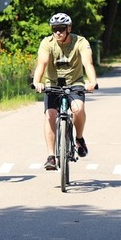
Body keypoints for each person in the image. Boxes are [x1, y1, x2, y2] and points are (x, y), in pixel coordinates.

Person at [31, 13, 98, 171]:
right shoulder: (47, 43)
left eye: (61, 29)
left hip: (75, 83)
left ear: (69, 28)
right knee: (51, 114)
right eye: (55, 29)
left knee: (78, 109)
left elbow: (88, 63)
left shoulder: (80, 42)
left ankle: (79, 139)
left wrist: (92, 82)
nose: (58, 32)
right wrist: (37, 82)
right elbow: (42, 63)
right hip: (53, 84)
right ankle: (51, 157)